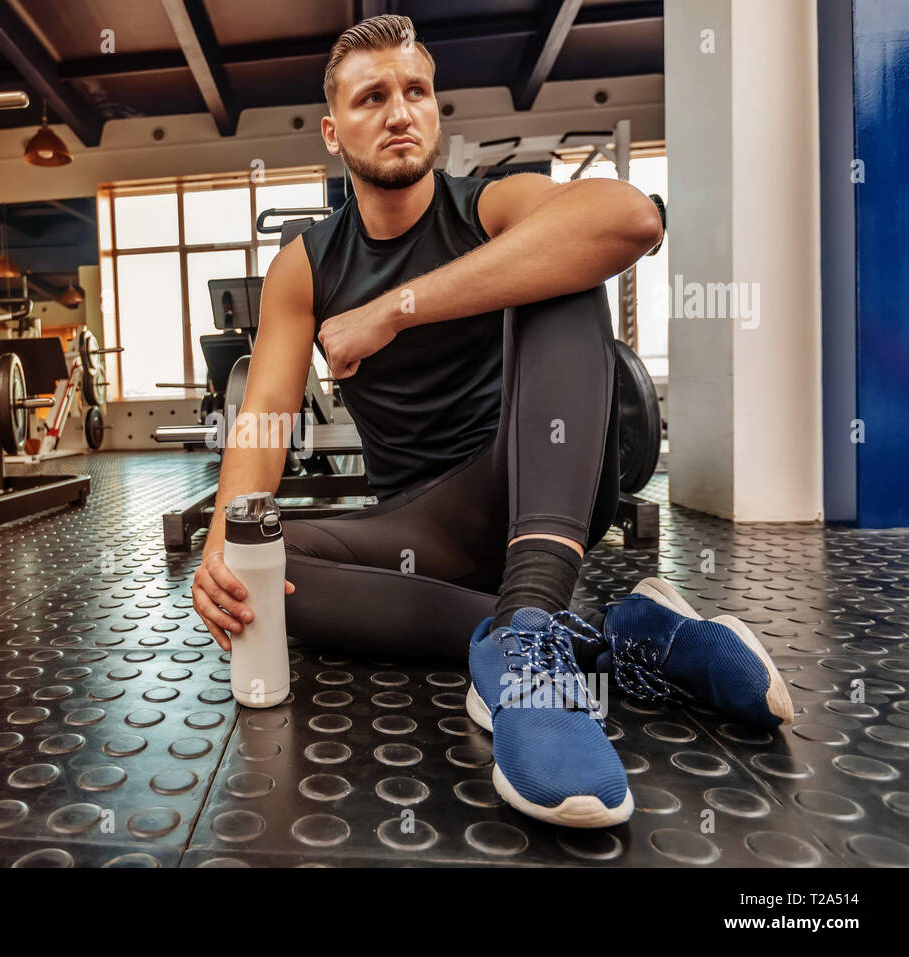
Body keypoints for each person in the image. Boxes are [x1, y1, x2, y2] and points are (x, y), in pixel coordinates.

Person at [191, 14, 792, 828]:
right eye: (373, 97)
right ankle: (601, 635)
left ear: (437, 112)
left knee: (569, 257)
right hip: (424, 533)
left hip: (537, 487)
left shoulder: (490, 203)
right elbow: (262, 416)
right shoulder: (307, 262)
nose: (400, 110)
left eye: (417, 91)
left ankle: (534, 621)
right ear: (334, 132)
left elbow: (630, 220)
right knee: (257, 573)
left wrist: (394, 311)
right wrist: (226, 545)